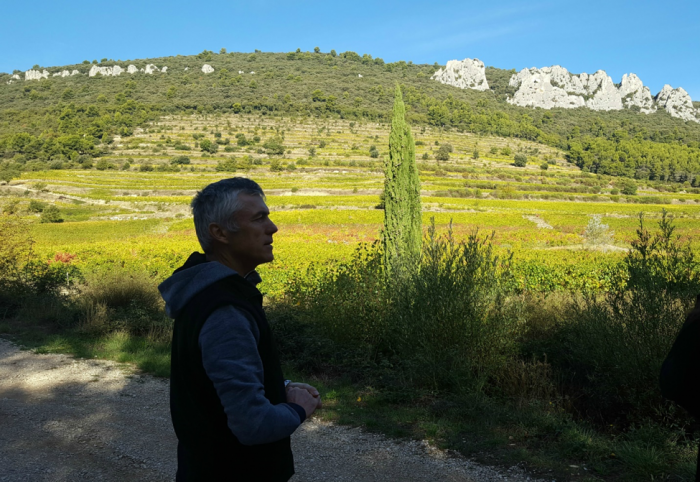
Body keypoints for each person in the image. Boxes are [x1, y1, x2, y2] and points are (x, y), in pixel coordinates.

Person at [159, 177, 321, 481]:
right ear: (219, 233)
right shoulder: (225, 310)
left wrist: (279, 388)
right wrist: (299, 409)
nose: (272, 228)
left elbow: (216, 383)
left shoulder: (205, 294)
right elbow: (253, 424)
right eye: (259, 218)